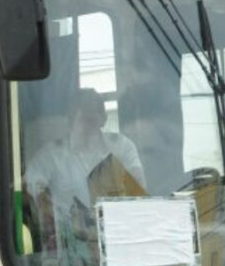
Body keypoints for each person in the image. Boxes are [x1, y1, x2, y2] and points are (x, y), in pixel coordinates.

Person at [24, 88, 146, 249]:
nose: (88, 126)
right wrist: (48, 215)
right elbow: (29, 189)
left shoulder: (122, 147)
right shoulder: (52, 155)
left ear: (104, 118)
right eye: (82, 119)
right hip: (70, 244)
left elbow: (138, 192)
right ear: (70, 120)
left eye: (92, 118)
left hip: (117, 239)